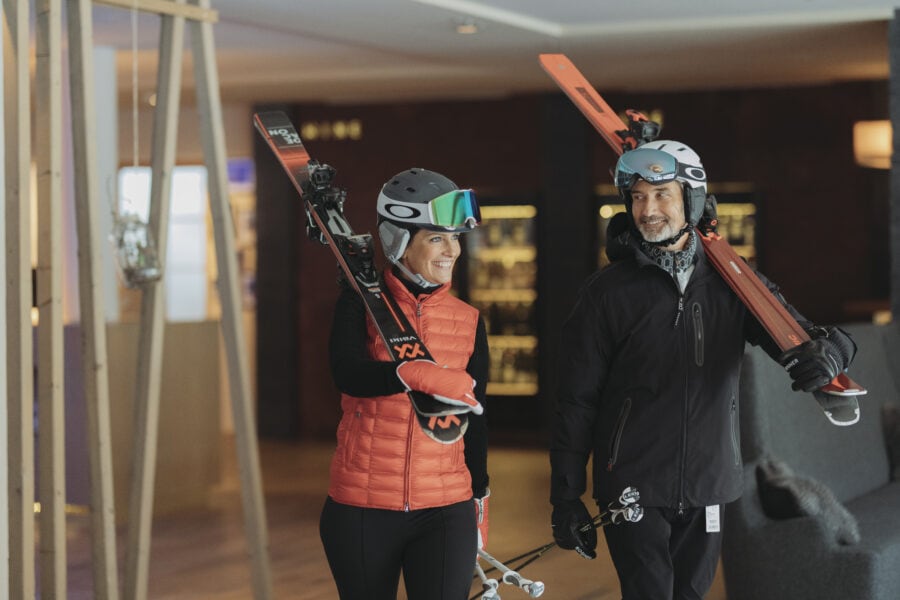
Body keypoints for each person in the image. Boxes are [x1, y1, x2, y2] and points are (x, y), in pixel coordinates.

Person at [549, 140, 857, 600]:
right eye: (637, 196)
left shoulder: (735, 284)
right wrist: (566, 498)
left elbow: (801, 335)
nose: (647, 209)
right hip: (632, 482)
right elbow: (575, 401)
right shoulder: (605, 294)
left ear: (692, 198)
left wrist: (834, 352)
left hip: (710, 479)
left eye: (661, 194)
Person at [319, 167, 490, 600]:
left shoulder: (469, 320)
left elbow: (476, 416)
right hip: (363, 506)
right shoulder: (359, 304)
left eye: (455, 238)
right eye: (436, 237)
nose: (451, 250)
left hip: (446, 507)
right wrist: (408, 373)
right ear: (398, 240)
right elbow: (347, 374)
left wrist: (480, 495)